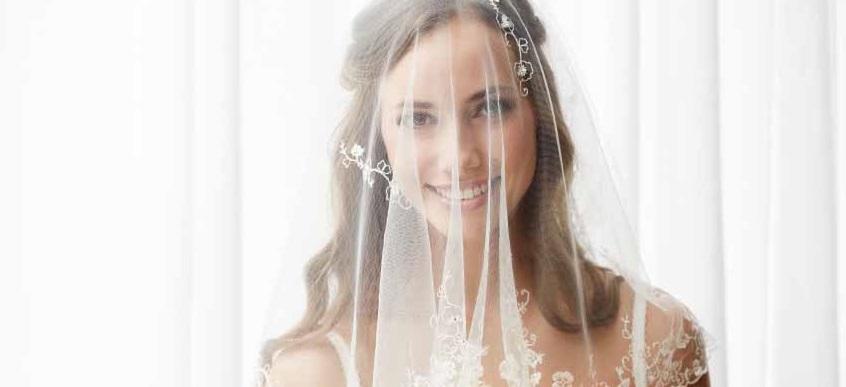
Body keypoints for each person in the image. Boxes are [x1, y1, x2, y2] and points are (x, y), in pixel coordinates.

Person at [257, 0, 712, 386]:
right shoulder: (317, 373)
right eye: (418, 118)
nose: (460, 157)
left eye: (490, 107)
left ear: (538, 114)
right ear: (377, 138)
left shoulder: (654, 342)